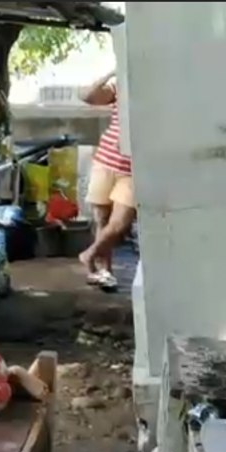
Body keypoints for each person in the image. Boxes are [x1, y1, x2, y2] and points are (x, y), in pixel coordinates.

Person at [79, 70, 136, 292]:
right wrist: (113, 72)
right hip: (106, 161)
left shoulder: (160, 92)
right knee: (102, 219)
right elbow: (88, 97)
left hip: (135, 170)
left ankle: (89, 253)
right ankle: (104, 272)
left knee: (119, 224)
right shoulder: (121, 85)